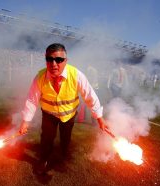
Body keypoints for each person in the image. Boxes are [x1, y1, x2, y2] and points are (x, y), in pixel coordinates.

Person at [17, 43, 109, 175]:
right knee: (47, 139)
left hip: (69, 115)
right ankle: (43, 160)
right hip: (49, 114)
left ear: (66, 61)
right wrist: (25, 122)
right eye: (49, 59)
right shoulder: (40, 77)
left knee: (66, 138)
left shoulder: (76, 75)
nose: (54, 64)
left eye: (59, 60)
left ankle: (64, 155)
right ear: (46, 59)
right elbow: (32, 100)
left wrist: (100, 119)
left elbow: (90, 96)